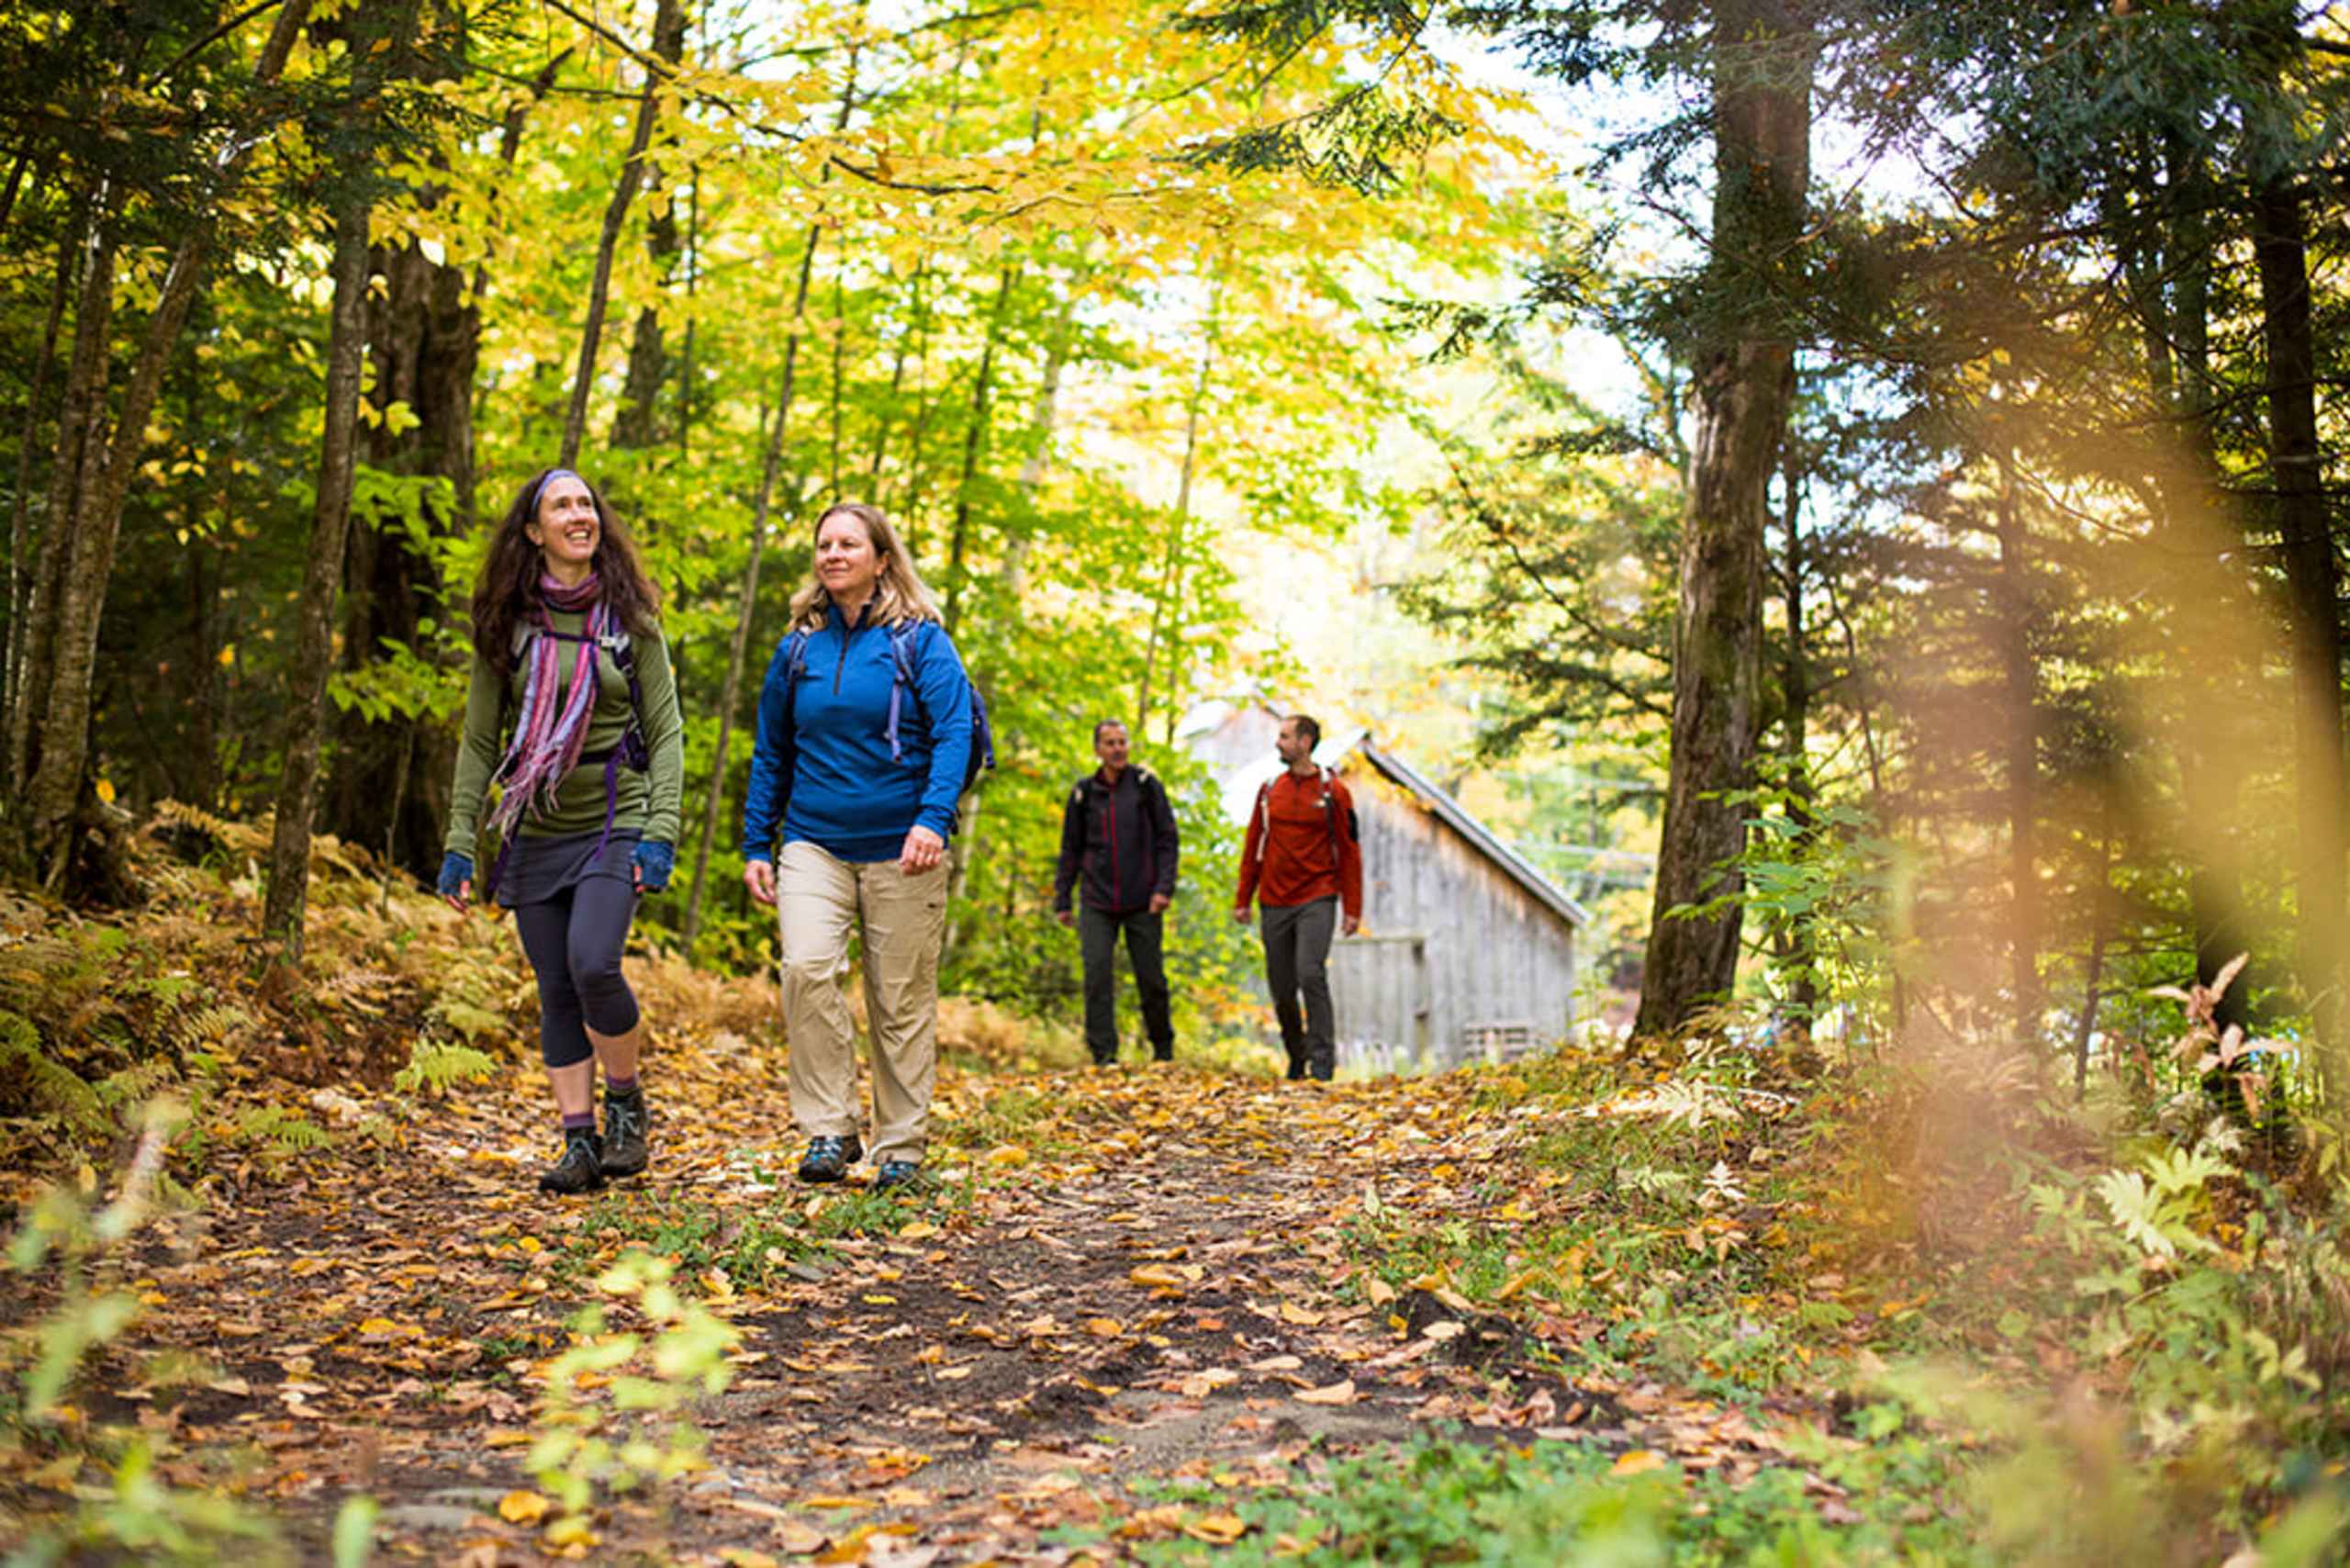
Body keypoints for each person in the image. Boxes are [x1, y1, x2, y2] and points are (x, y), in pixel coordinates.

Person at [439, 467, 683, 1193]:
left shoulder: (630, 619)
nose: (580, 515)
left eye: (587, 504)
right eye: (562, 506)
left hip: (615, 812)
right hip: (536, 820)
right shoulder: (507, 628)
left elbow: (666, 731)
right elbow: (480, 740)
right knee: (555, 988)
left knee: (593, 963)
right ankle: (579, 1143)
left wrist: (660, 830)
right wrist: (459, 841)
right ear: (533, 532)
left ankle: (626, 1101)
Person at [740, 500, 974, 1193]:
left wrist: (933, 819)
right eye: (824, 545)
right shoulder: (798, 649)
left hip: (905, 846)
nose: (833, 554)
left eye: (848, 544)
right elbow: (772, 752)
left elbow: (955, 731)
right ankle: (830, 1130)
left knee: (898, 1000)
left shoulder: (922, 641)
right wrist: (758, 841)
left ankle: (900, 1144)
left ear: (881, 558)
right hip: (813, 841)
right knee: (807, 970)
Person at [1232, 713, 1362, 1081]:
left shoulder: (1333, 791)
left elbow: (1350, 850)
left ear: (1305, 743)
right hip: (1274, 900)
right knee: (1282, 986)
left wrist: (1352, 907)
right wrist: (1243, 897)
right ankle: (1296, 1054)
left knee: (1310, 972)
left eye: (1286, 736)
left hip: (1317, 897)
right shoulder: (1270, 789)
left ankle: (1322, 1062)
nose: (1279, 743)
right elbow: (1252, 845)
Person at [1053, 720, 1180, 1066]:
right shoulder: (1083, 794)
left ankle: (1163, 1051)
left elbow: (1168, 840)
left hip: (1143, 899)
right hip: (1097, 900)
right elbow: (1071, 849)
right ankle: (1103, 1055)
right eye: (1110, 743)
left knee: (1151, 978)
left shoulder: (1145, 786)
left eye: (1122, 742)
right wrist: (1063, 898)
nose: (1117, 748)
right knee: (1096, 976)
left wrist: (1163, 888)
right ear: (1097, 749)